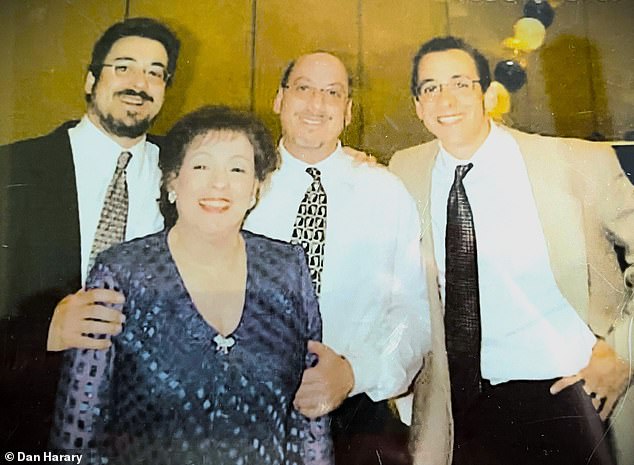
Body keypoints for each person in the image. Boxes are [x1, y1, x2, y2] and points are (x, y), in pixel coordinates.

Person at [389, 36, 633, 465]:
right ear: (417, 105)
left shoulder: (574, 162)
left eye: (461, 83)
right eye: (430, 88)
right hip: (463, 406)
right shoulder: (403, 170)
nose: (445, 98)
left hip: (571, 392)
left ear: (486, 93)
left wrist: (625, 351)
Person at [50, 105, 332, 465]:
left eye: (237, 168)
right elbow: (79, 426)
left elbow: (309, 422)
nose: (219, 183)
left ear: (255, 189)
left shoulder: (288, 269)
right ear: (171, 181)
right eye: (201, 166)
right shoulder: (121, 273)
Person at [0, 17, 180, 450]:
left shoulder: (185, 172)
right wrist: (42, 332)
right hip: (27, 416)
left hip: (144, 428)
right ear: (90, 80)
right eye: (124, 67)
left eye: (155, 72)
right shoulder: (14, 170)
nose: (140, 83)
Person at [244, 52, 430, 464]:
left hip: (355, 416)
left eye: (332, 93)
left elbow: (414, 311)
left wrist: (354, 373)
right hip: (244, 408)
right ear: (279, 99)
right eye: (304, 88)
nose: (316, 104)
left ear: (347, 112)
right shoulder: (240, 185)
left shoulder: (385, 193)